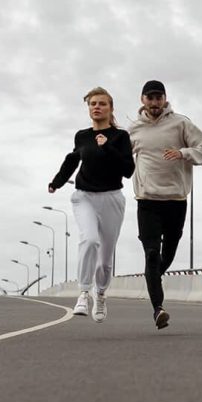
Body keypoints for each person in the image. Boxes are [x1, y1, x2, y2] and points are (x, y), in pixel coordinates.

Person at [128, 80, 202, 330]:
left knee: (167, 255)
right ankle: (158, 309)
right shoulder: (134, 129)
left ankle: (152, 278)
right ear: (142, 100)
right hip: (147, 200)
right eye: (150, 98)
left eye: (159, 98)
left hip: (176, 200)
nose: (155, 102)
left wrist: (183, 153)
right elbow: (119, 157)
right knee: (152, 254)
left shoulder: (181, 123)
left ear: (164, 99)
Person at [48, 87, 134, 323]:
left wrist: (107, 147)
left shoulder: (120, 137)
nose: (97, 107)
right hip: (84, 196)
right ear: (88, 108)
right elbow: (72, 160)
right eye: (93, 104)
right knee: (90, 240)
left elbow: (128, 170)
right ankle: (84, 293)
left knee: (105, 259)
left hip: (112, 198)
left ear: (110, 109)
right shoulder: (82, 136)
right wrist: (57, 182)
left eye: (102, 103)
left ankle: (101, 294)